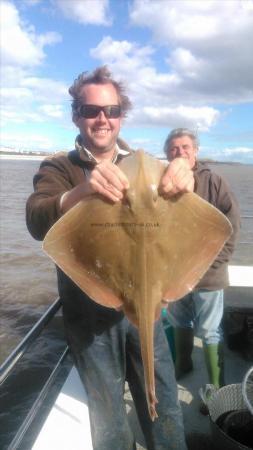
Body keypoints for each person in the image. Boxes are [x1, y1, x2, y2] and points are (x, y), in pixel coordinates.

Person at [26, 67, 194, 450]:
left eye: (112, 110)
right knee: (109, 419)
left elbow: (194, 207)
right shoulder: (60, 168)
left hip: (148, 306)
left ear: (121, 116)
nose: (102, 118)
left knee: (164, 401)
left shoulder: (146, 165)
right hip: (90, 316)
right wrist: (81, 191)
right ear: (76, 115)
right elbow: (36, 217)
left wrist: (187, 175)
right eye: (90, 109)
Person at [163, 128, 240, 414]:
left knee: (210, 331)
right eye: (173, 148)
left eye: (185, 147)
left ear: (195, 151)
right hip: (175, 273)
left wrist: (217, 261)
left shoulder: (214, 181)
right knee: (179, 320)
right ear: (166, 153)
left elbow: (231, 225)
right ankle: (183, 363)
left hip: (209, 274)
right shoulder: (161, 184)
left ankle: (216, 389)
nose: (179, 152)